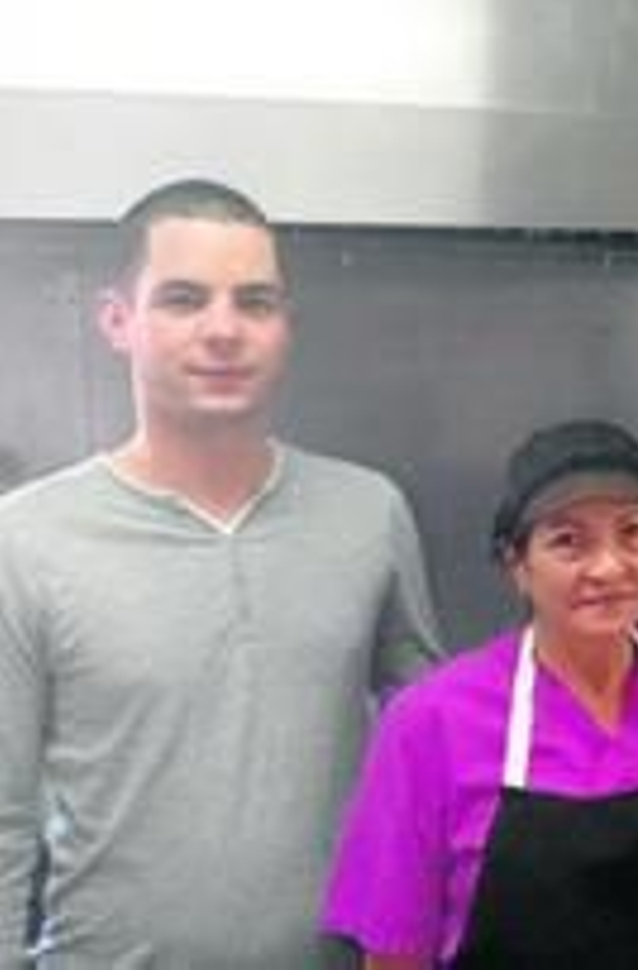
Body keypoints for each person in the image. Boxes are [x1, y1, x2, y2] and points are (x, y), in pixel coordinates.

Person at [0, 178, 443, 968]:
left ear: (286, 326)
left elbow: (442, 753)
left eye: (255, 302)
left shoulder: (368, 514)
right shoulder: (26, 540)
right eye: (183, 299)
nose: (224, 330)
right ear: (117, 320)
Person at [322, 419, 638, 968]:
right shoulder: (431, 722)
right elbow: (395, 953)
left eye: (632, 532)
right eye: (568, 541)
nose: (609, 567)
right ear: (517, 564)